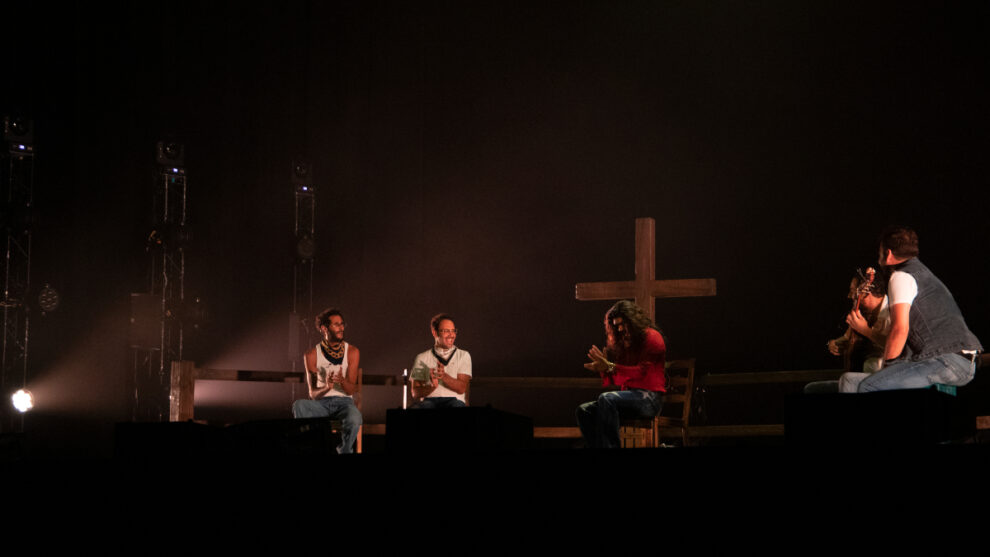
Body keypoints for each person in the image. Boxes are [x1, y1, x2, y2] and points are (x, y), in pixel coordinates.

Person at [857, 226, 982, 392]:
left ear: (887, 254)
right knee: (851, 382)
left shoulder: (901, 276)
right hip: (961, 361)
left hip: (947, 362)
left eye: (879, 253)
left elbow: (899, 329)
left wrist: (888, 370)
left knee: (870, 385)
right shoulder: (922, 273)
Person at [576, 300, 667, 448]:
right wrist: (604, 370)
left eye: (622, 324)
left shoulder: (652, 337)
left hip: (649, 399)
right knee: (584, 410)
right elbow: (619, 377)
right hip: (630, 398)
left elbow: (641, 372)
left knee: (606, 398)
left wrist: (611, 366)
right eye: (616, 326)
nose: (619, 329)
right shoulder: (626, 344)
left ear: (633, 320)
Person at [291, 308, 363, 454]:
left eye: (342, 324)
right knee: (299, 405)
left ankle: (344, 451)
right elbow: (312, 394)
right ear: (324, 328)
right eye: (336, 325)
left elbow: (350, 390)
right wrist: (326, 387)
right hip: (321, 404)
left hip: (344, 403)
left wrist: (342, 380)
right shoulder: (311, 354)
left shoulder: (352, 351)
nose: (341, 328)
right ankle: (310, 448)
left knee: (355, 417)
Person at [806, 273, 891, 393]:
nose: (849, 296)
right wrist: (833, 344)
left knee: (847, 380)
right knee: (812, 389)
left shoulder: (892, 312)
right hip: (863, 377)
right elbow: (845, 338)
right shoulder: (865, 313)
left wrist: (866, 331)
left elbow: (899, 345)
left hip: (884, 380)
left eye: (852, 291)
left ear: (866, 292)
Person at [409, 313, 472, 408]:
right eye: (446, 331)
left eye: (453, 331)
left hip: (454, 401)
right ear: (435, 332)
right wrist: (432, 387)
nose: (451, 335)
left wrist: (443, 376)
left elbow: (462, 388)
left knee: (457, 407)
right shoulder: (422, 357)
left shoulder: (463, 355)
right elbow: (415, 393)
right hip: (429, 401)